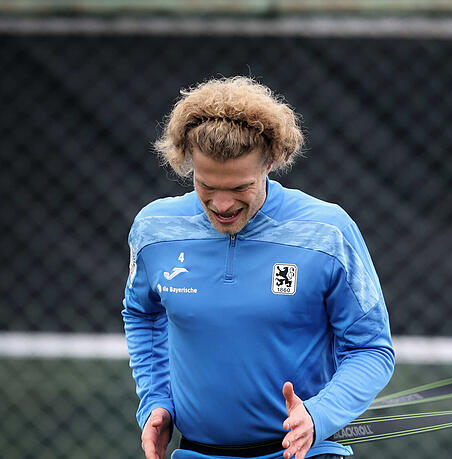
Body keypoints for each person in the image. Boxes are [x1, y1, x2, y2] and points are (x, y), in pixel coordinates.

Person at [122, 76, 395, 459]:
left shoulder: (328, 232)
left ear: (270, 162)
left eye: (239, 188)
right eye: (206, 186)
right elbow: (142, 316)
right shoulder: (154, 229)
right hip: (194, 452)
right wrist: (157, 401)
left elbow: (371, 349)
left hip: (306, 452)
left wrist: (319, 415)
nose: (221, 204)